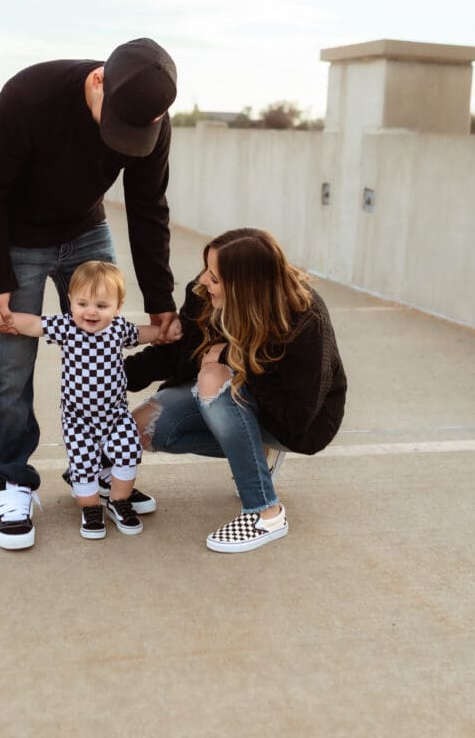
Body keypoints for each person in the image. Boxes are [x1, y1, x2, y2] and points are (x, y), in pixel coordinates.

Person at [0, 38, 178, 550]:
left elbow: (148, 205)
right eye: (116, 129)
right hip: (18, 239)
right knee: (12, 363)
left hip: (85, 232)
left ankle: (101, 470)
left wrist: (159, 298)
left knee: (102, 353)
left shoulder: (153, 119)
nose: (124, 140)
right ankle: (10, 480)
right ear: (97, 80)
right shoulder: (28, 96)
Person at [124, 227, 347, 554]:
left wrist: (234, 358)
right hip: (241, 401)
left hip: (297, 420)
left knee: (213, 378)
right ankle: (256, 457)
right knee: (142, 429)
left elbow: (297, 418)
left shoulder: (304, 318)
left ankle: (265, 512)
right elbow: (177, 355)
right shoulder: (205, 297)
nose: (202, 281)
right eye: (206, 270)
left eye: (214, 277)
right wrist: (108, 378)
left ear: (244, 288)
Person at [0, 261, 182, 541]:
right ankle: (90, 510)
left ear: (118, 306)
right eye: (82, 303)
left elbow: (142, 333)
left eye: (101, 306)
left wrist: (165, 333)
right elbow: (34, 324)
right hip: (79, 420)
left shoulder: (118, 329)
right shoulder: (66, 327)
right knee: (83, 465)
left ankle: (118, 501)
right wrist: (8, 319)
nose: (91, 311)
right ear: (70, 303)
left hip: (116, 415)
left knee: (127, 455)